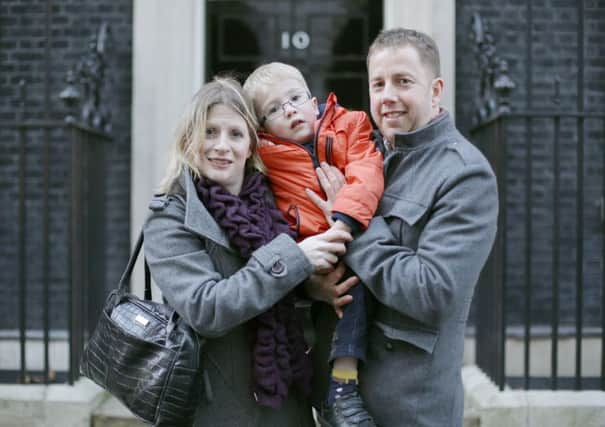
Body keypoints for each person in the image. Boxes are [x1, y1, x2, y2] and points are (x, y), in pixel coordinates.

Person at [307, 28, 499, 427]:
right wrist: (318, 288)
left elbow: (432, 290)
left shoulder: (464, 174)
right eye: (378, 83)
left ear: (436, 90)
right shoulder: (365, 158)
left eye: (403, 81)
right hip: (338, 407)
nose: (387, 95)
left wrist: (356, 223)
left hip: (409, 410)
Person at [143, 76, 353, 427]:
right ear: (189, 140)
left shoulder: (273, 200)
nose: (222, 146)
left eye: (235, 134)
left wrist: (311, 287)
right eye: (209, 132)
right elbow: (206, 308)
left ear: (251, 145)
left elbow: (280, 282)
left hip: (288, 402)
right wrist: (296, 260)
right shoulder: (169, 216)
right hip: (218, 408)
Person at [243, 62, 384, 427]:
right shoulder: (262, 159)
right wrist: (303, 267)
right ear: (261, 126)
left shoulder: (350, 125)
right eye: (274, 109)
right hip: (307, 258)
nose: (289, 109)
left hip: (352, 237)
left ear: (314, 100)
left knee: (356, 289)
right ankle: (323, 394)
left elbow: (367, 173)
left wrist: (343, 218)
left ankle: (342, 386)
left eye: (294, 98)